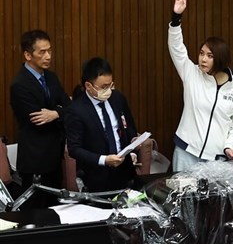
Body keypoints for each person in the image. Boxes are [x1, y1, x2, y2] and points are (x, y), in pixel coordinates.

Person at [168, 0, 233, 172]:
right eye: (202, 53)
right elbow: (177, 48)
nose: (203, 59)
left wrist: (230, 146)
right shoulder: (191, 73)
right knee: (183, 198)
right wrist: (176, 18)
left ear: (220, 59)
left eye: (210, 56)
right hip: (186, 152)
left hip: (217, 158)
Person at [10, 29, 71, 207]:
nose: (48, 56)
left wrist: (55, 113)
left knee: (56, 209)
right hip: (35, 160)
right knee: (37, 213)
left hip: (54, 156)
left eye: (50, 50)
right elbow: (38, 121)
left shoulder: (51, 77)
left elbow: (70, 107)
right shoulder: (19, 85)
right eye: (42, 52)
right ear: (28, 55)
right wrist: (61, 112)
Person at [64, 58, 140, 192]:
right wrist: (104, 160)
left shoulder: (117, 98)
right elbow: (74, 149)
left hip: (124, 171)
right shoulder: (76, 110)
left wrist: (134, 141)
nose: (108, 90)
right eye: (103, 87)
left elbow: (129, 127)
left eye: (110, 85)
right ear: (88, 86)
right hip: (96, 177)